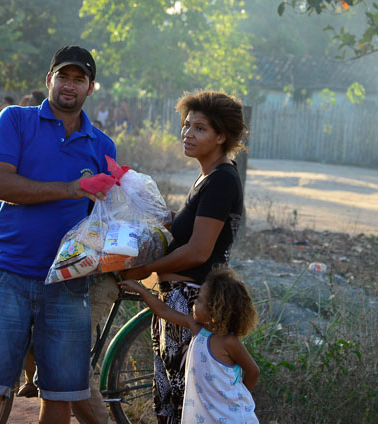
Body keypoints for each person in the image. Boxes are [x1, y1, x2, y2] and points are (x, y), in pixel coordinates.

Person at [0, 45, 116, 424]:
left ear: (90, 88)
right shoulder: (15, 120)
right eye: (63, 76)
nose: (69, 85)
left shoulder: (102, 146)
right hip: (9, 276)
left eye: (79, 79)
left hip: (68, 284)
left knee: (59, 397)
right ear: (49, 79)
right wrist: (70, 189)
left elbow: (101, 218)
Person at [121, 90, 247, 423]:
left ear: (221, 136)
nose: (188, 133)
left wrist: (145, 270)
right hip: (179, 299)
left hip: (190, 298)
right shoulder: (209, 176)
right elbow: (193, 230)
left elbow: (198, 251)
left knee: (182, 404)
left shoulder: (221, 180)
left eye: (200, 128)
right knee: (173, 399)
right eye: (187, 125)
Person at [0, 223, 119, 423]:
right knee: (33, 348)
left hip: (93, 279)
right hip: (39, 273)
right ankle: (33, 379)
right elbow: (20, 210)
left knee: (71, 366)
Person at [118, 266, 260, 423]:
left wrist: (239, 396)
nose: (194, 303)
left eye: (199, 300)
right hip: (205, 417)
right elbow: (164, 311)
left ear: (215, 309)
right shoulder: (197, 328)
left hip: (232, 417)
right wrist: (141, 290)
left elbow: (253, 371)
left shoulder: (229, 342)